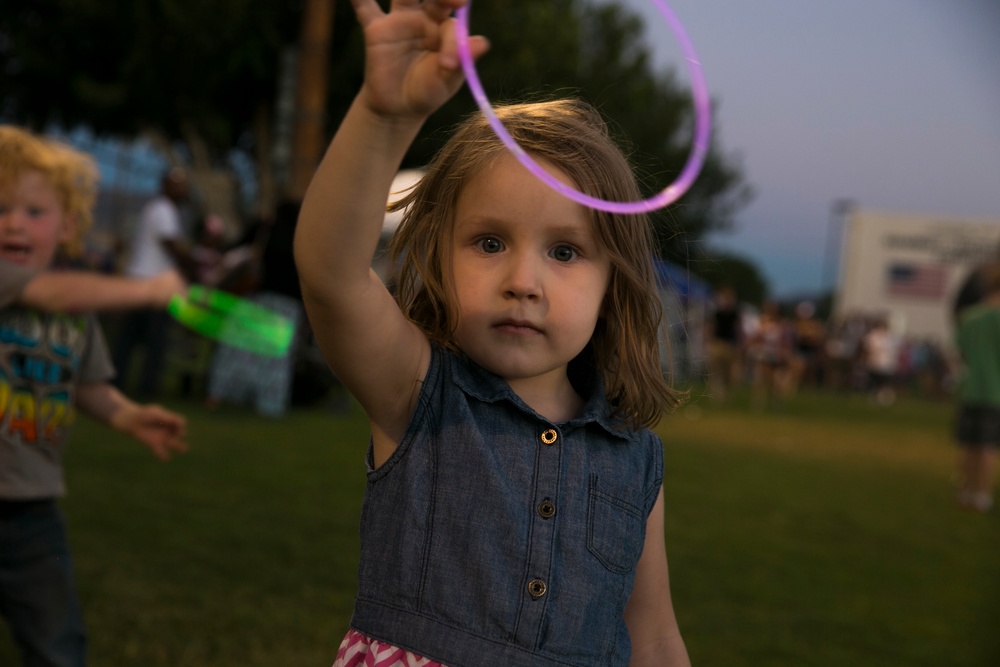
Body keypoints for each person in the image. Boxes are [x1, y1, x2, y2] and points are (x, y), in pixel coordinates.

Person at [294, 2, 690, 665]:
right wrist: (384, 115)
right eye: (489, 241)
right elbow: (331, 273)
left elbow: (652, 633)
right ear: (439, 258)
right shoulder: (416, 391)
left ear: (610, 285)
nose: (522, 280)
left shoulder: (635, 456)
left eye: (564, 252)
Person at [0, 125, 188, 667]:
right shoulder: (27, 286)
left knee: (58, 645)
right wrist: (148, 291)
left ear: (67, 226)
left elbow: (86, 385)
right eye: (2, 208)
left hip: (34, 509)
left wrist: (128, 416)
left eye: (34, 212)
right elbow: (50, 290)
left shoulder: (75, 316)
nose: (15, 222)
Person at [112, 166, 193, 399]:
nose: (183, 189)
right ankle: (146, 390)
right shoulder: (164, 209)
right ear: (166, 186)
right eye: (178, 184)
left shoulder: (155, 208)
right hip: (153, 285)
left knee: (128, 339)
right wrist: (193, 264)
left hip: (139, 279)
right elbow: (171, 244)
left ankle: (117, 385)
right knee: (156, 341)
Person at [953, 264, 1000, 513]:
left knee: (969, 446)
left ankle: (965, 491)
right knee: (987, 448)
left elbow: (961, 352)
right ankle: (982, 495)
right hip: (995, 393)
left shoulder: (969, 316)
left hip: (970, 389)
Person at [704, 285, 741, 403]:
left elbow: (738, 330)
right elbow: (711, 328)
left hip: (730, 344)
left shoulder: (734, 314)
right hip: (718, 343)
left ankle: (726, 395)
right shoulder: (717, 313)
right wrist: (709, 341)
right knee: (716, 371)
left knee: (729, 373)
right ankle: (717, 396)